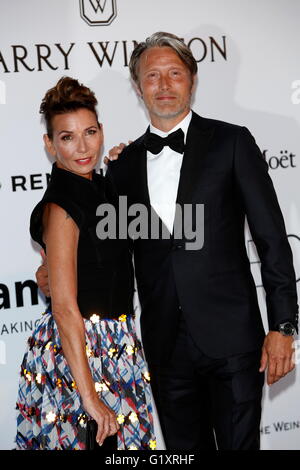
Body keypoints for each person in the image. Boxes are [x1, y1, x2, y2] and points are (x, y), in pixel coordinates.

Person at [37, 33, 299, 450]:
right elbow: (99, 244)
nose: (163, 84)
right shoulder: (121, 169)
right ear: (138, 87)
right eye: (152, 76)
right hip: (163, 349)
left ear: (192, 80)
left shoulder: (232, 142)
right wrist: (48, 268)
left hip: (233, 342)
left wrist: (283, 325)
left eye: (174, 73)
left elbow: (272, 239)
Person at [15, 77, 156, 451]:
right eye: (67, 137)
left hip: (116, 348)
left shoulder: (102, 185)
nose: (83, 147)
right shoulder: (61, 206)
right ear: (49, 143)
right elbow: (62, 307)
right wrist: (90, 397)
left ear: (102, 131)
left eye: (90, 132)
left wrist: (122, 165)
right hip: (80, 356)